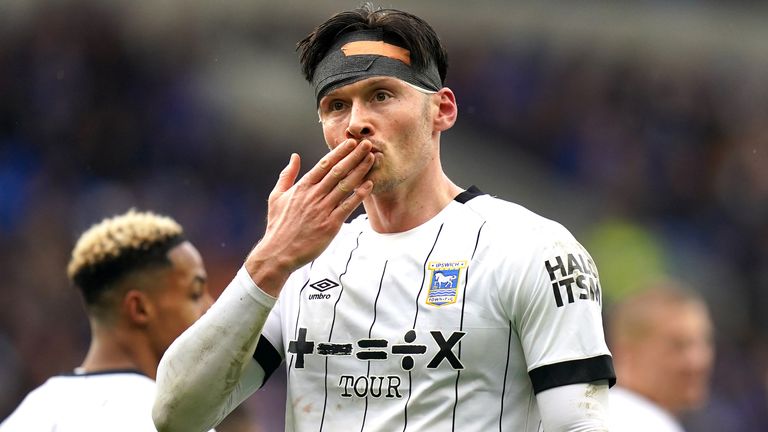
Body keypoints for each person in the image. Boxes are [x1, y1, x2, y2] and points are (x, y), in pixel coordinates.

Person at [153, 4, 616, 432]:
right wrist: (270, 259)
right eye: (336, 105)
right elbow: (177, 414)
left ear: (443, 110)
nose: (356, 121)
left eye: (381, 95)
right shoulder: (298, 266)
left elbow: (578, 424)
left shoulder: (532, 248)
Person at [0, 209, 214, 432]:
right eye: (195, 293)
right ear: (139, 308)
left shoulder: (31, 412)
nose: (210, 307)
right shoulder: (174, 421)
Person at [607, 280, 715, 432]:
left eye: (705, 341)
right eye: (678, 346)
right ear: (627, 354)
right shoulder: (637, 423)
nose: (698, 360)